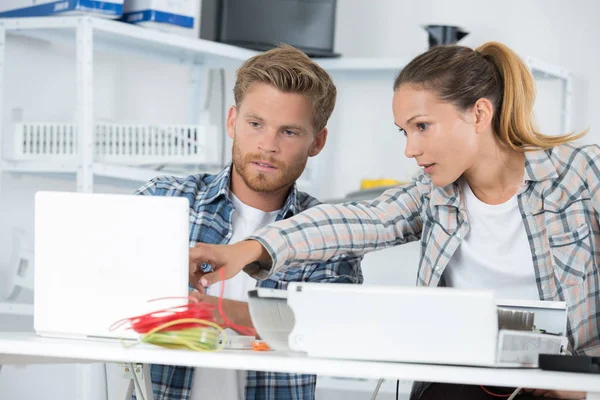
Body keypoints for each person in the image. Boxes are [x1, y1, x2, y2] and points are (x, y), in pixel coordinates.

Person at [188, 41, 599, 400]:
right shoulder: (433, 194)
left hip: (571, 383)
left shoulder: (582, 177)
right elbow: (359, 220)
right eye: (404, 131)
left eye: (422, 127)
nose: (410, 149)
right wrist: (246, 250)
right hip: (465, 385)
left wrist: (588, 383)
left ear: (479, 114)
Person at [134, 44, 363, 400]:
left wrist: (219, 312)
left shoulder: (328, 231)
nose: (267, 145)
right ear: (232, 122)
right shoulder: (164, 199)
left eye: (289, 132)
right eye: (255, 124)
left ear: (317, 141)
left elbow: (333, 327)